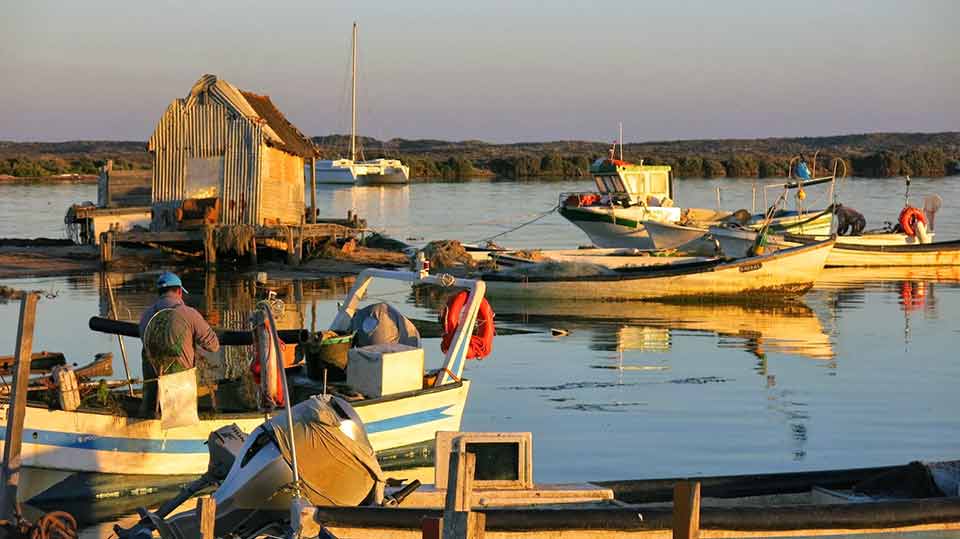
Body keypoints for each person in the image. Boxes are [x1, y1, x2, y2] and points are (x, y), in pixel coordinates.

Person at [138, 272, 220, 417]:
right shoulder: (189, 313)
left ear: (159, 293)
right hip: (180, 390)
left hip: (152, 390)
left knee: (151, 409)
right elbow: (213, 346)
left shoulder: (145, 316)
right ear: (180, 291)